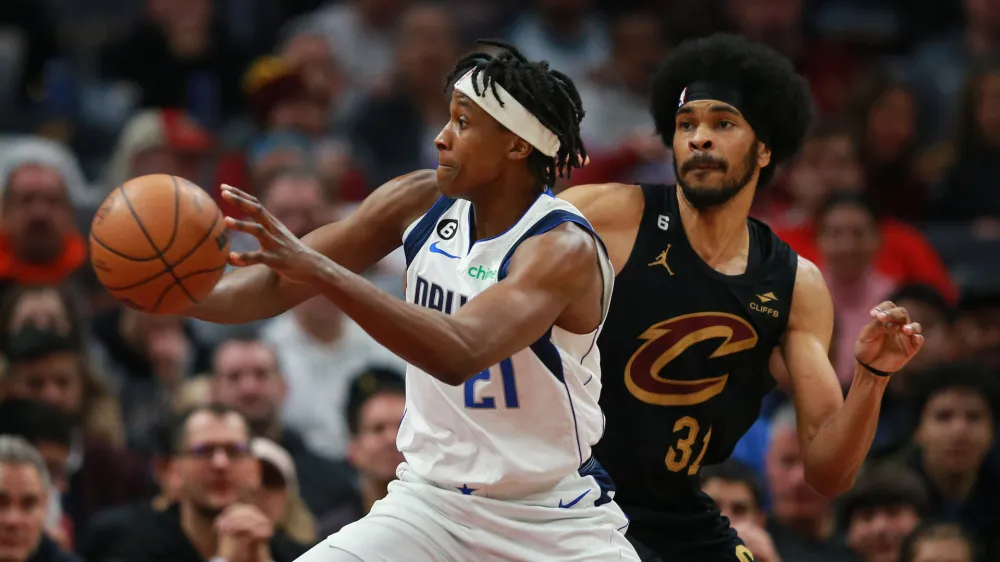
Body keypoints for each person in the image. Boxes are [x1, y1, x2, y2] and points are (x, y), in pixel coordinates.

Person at [184, 40, 637, 561]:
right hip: (431, 506)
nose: (442, 138)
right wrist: (178, 295)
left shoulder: (562, 249)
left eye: (463, 124)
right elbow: (275, 282)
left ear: (516, 145)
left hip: (551, 519)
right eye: (448, 120)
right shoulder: (416, 200)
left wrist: (324, 273)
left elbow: (458, 352)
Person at [559, 33, 925, 561]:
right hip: (571, 495)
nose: (699, 139)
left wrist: (871, 378)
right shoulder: (603, 215)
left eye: (722, 124)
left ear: (765, 148)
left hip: (676, 508)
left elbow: (828, 473)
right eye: (687, 126)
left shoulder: (795, 283)